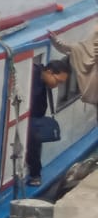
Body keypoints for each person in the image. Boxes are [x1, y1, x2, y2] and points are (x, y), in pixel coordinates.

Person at [26, 57, 71, 187]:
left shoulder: (42, 78)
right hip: (27, 118)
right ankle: (35, 174)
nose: (57, 85)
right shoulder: (31, 74)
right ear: (49, 72)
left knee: (35, 142)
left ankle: (35, 173)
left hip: (35, 118)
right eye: (58, 81)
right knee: (33, 144)